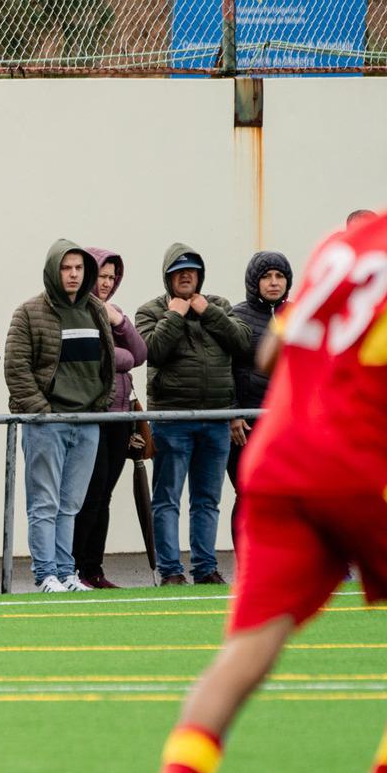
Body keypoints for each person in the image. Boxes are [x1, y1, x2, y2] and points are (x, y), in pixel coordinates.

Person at [131, 153, 387, 773]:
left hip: (278, 456)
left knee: (252, 641)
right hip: (358, 461)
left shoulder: (346, 243)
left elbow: (270, 349)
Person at [134, 244, 250, 585]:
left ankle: (205, 568)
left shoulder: (220, 307)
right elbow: (152, 351)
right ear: (167, 277)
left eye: (192, 270)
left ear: (200, 275)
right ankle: (170, 571)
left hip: (215, 420)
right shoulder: (150, 311)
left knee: (207, 500)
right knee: (167, 498)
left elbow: (242, 342)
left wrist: (207, 312)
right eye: (178, 271)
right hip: (171, 421)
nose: (186, 276)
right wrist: (175, 314)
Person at [4, 241, 115, 593]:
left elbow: (109, 362)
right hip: (47, 424)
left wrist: (100, 402)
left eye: (79, 268)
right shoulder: (29, 312)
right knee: (45, 503)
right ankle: (45, 574)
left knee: (71, 504)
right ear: (54, 269)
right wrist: (42, 411)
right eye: (66, 268)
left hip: (87, 423)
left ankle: (68, 573)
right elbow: (16, 367)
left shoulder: (96, 310)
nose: (73, 274)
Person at [72, 249, 150, 589]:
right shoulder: (78, 311)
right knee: (89, 493)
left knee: (105, 494)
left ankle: (94, 569)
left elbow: (141, 354)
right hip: (93, 414)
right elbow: (101, 357)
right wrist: (125, 355)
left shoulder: (113, 313)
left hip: (120, 416)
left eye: (111, 277)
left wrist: (119, 321)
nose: (105, 283)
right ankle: (75, 568)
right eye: (101, 275)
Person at [227, 250, 292, 501]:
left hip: (288, 421)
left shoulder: (299, 313)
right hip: (246, 424)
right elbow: (225, 367)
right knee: (248, 494)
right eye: (266, 276)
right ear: (254, 281)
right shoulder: (236, 316)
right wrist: (233, 413)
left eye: (279, 276)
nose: (274, 282)